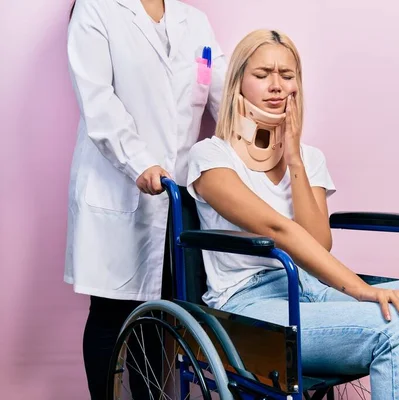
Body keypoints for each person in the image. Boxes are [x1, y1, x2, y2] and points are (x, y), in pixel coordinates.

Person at [186, 29, 399, 399]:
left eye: (287, 75)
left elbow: (316, 244)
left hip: (315, 287)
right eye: (262, 75)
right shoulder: (211, 157)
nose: (276, 86)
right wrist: (362, 291)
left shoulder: (310, 158)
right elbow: (277, 229)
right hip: (249, 303)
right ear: (238, 83)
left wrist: (294, 157)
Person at [65, 0, 226, 398]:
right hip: (117, 185)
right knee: (110, 314)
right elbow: (98, 102)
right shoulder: (96, 9)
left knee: (159, 316)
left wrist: (263, 138)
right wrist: (140, 162)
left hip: (177, 199)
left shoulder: (196, 23)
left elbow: (226, 93)